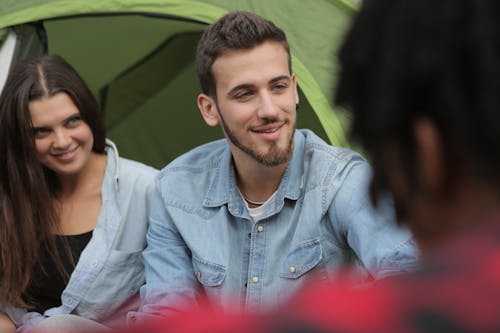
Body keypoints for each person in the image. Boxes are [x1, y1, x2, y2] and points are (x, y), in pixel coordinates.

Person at [122, 0, 500, 332]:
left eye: (279, 86)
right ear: (209, 109)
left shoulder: (341, 179)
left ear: (296, 88)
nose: (269, 110)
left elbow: (403, 274)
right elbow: (166, 312)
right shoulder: (174, 188)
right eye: (244, 94)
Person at [0, 54, 158, 332]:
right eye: (41, 132)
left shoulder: (148, 189)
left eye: (72, 121)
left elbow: (175, 298)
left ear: (90, 116)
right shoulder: (11, 196)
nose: (62, 141)